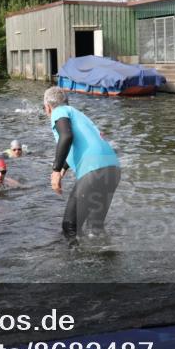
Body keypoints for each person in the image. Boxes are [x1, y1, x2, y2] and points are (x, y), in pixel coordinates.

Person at [42, 87, 120, 239]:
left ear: (48, 107)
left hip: (93, 169)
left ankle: (72, 262)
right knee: (95, 227)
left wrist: (56, 171)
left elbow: (66, 137)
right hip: (113, 169)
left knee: (69, 226)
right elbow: (86, 143)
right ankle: (107, 259)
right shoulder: (81, 116)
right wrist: (65, 167)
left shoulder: (58, 111)